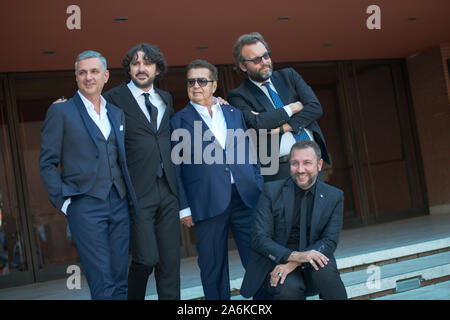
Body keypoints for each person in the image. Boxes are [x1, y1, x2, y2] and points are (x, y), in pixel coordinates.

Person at [39, 50, 138, 300]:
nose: (88, 77)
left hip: (118, 202)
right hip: (84, 205)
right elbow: (47, 163)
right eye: (82, 72)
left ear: (105, 76)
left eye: (94, 71)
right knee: (101, 280)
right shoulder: (61, 112)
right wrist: (65, 203)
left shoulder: (115, 113)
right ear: (76, 77)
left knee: (119, 278)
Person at [170, 59, 263, 300]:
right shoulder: (178, 121)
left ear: (214, 85)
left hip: (245, 197)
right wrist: (183, 208)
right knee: (213, 266)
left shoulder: (233, 113)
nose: (196, 86)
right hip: (206, 201)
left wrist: (258, 185)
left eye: (202, 81)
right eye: (191, 81)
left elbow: (249, 154)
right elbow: (176, 168)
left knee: (257, 260)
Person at [103, 43, 180, 300]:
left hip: (167, 189)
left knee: (170, 263)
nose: (141, 68)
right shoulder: (114, 98)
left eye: (147, 63)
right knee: (146, 259)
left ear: (157, 69)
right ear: (129, 69)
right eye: (135, 63)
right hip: (137, 191)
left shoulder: (165, 99)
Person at [240, 140, 347, 300]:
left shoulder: (334, 196)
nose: (300, 169)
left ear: (319, 164)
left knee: (325, 267)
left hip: (309, 264)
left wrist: (296, 261)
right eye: (295, 163)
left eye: (307, 163)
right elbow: (259, 239)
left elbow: (329, 240)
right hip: (279, 263)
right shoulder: (271, 192)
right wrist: (292, 257)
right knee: (286, 287)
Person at [227, 32, 329, 182]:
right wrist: (293, 107)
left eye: (266, 56)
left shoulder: (289, 76)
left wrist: (284, 127)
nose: (264, 62)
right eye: (256, 60)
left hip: (312, 161)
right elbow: (258, 123)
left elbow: (315, 108)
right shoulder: (238, 95)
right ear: (243, 66)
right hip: (280, 169)